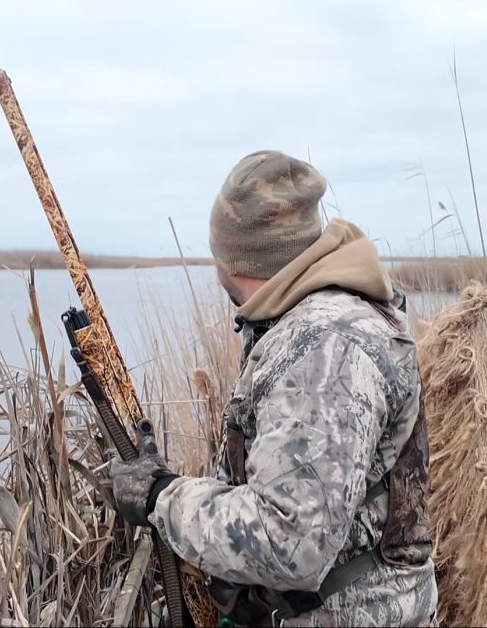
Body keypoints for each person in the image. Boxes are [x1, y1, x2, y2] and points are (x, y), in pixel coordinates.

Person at [109, 150, 439, 627]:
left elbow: (291, 542)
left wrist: (162, 497)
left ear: (233, 258)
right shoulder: (323, 317)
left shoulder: (324, 347)